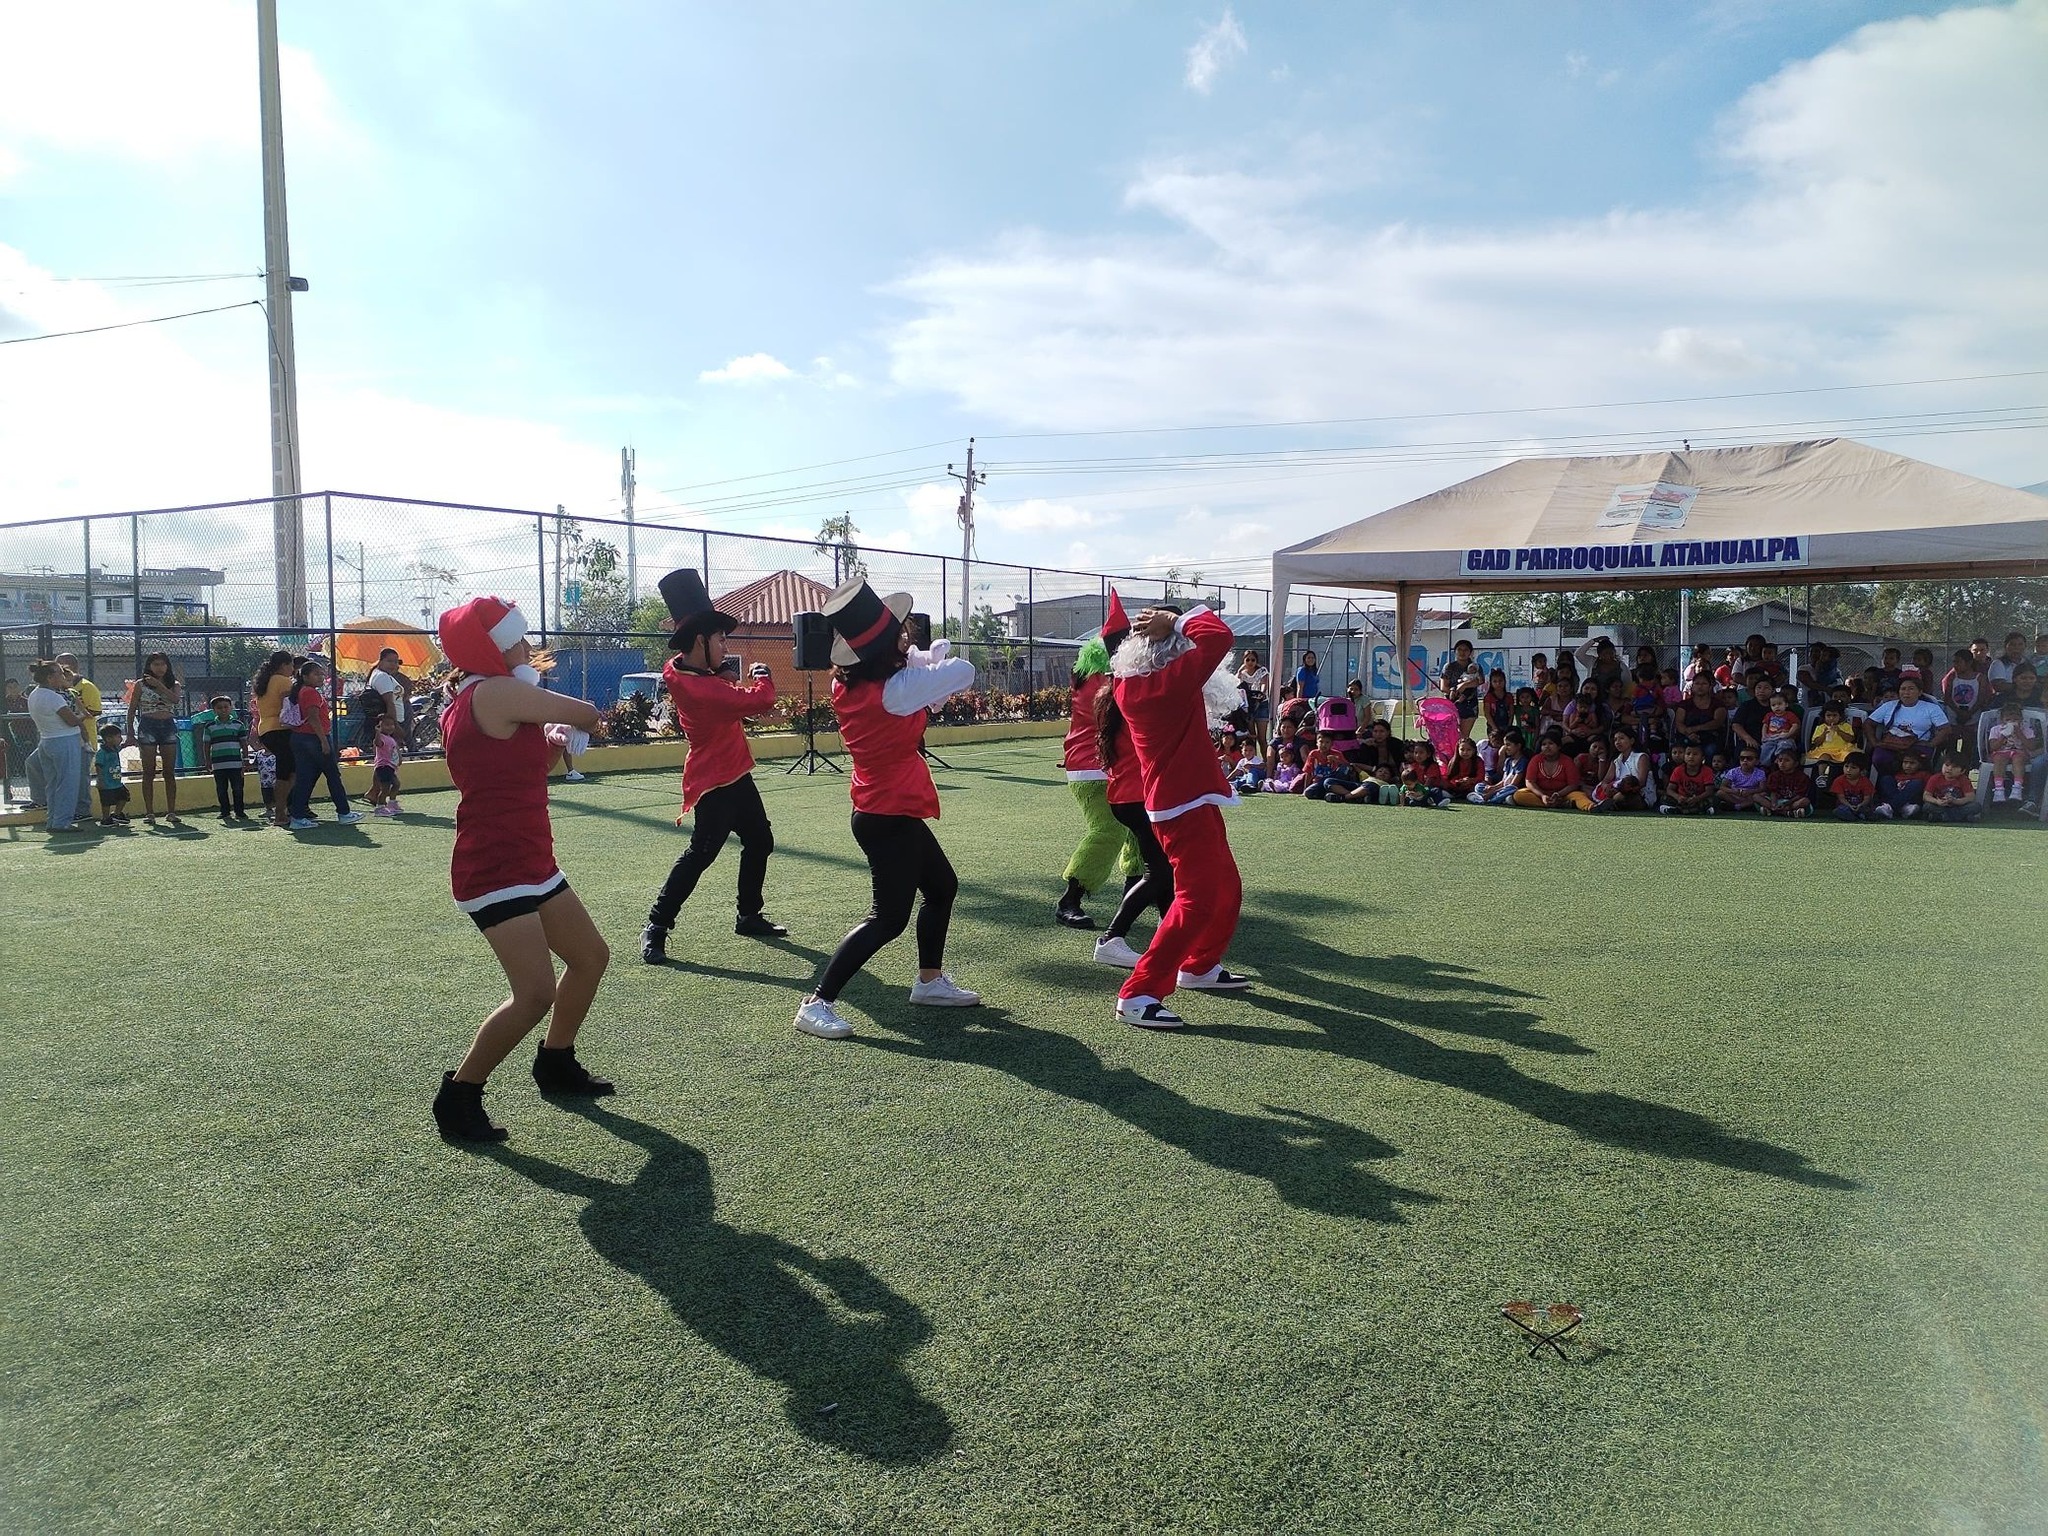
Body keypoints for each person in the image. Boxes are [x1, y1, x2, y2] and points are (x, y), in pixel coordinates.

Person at [429, 595, 614, 1143]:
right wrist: (574, 723)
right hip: (495, 867)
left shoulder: (487, 696)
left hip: (530, 860)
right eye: (518, 638)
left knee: (590, 958)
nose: (528, 646)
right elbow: (587, 712)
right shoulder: (496, 692)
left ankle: (555, 1062)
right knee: (535, 993)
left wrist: (552, 742)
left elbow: (532, 767)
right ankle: (459, 1095)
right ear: (493, 647)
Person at [794, 579, 981, 1041]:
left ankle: (930, 982)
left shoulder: (854, 682)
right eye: (899, 633)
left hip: (884, 809)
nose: (907, 636)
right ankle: (817, 1003)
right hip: (885, 814)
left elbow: (922, 689)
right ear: (881, 649)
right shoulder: (894, 689)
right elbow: (964, 671)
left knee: (942, 887)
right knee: (888, 918)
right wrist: (925, 662)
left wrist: (917, 663)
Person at [640, 569, 789, 963]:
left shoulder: (678, 669)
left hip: (736, 774)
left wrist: (718, 672)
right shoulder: (704, 690)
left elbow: (697, 674)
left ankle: (748, 915)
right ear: (700, 641)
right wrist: (763, 675)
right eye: (721, 639)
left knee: (760, 840)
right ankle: (656, 925)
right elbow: (760, 700)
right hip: (714, 783)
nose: (726, 646)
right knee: (701, 854)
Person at [1054, 591, 1142, 930]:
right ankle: (1069, 899)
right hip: (1094, 768)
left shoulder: (1096, 673)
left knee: (1139, 829)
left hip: (1117, 766)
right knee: (1109, 829)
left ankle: (1135, 894)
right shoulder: (1106, 679)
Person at [1092, 665, 1175, 971]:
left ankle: (1172, 933)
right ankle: (1111, 939)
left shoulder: (1110, 698)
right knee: (1159, 872)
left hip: (1124, 794)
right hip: (1137, 795)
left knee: (1164, 869)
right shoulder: (1133, 701)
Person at [284, 659, 365, 829]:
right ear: (305, 676)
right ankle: (344, 812)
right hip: (313, 738)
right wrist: (323, 741)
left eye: (322, 674)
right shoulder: (310, 693)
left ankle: (297, 816)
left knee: (304, 777)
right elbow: (313, 718)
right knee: (333, 775)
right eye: (316, 674)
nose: (321, 677)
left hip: (300, 738)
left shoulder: (302, 691)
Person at [122, 651, 183, 824]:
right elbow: (132, 709)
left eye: (163, 664)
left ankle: (171, 811)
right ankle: (149, 813)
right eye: (156, 664)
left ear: (168, 666)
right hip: (148, 726)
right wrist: (130, 732)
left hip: (168, 726)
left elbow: (175, 700)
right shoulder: (140, 685)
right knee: (148, 771)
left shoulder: (174, 684)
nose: (160, 668)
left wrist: (159, 685)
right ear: (149, 666)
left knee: (169, 771)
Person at [26, 660, 85, 833]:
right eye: (59, 673)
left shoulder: (34, 694)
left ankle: (52, 820)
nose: (63, 677)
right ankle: (62, 822)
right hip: (64, 742)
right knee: (68, 783)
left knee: (52, 784)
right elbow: (71, 721)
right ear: (50, 677)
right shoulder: (54, 697)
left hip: (46, 741)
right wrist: (82, 716)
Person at [1866, 669, 1953, 775]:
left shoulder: (1931, 708)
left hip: (1917, 745)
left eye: (1911, 689)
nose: (1906, 692)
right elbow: (1868, 723)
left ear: (1920, 692)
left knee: (1915, 763)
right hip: (1891, 744)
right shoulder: (1889, 706)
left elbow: (1946, 729)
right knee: (1879, 758)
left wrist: (1931, 744)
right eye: (1903, 689)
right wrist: (1874, 742)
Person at [251, 650, 300, 826]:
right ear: (283, 665)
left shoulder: (264, 682)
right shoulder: (283, 681)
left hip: (265, 730)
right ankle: (280, 813)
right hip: (280, 729)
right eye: (291, 665)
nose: (293, 669)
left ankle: (284, 810)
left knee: (289, 771)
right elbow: (290, 705)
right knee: (285, 773)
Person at [195, 695, 251, 822]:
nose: (223, 710)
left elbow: (244, 743)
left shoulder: (238, 725)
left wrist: (246, 759)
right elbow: (206, 745)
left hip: (236, 764)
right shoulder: (209, 726)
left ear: (231, 708)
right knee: (221, 789)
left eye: (226, 707)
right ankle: (225, 812)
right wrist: (207, 761)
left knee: (238, 788)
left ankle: (240, 812)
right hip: (218, 764)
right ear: (214, 710)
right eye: (219, 708)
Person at [1983, 699, 2039, 803]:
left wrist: (2019, 733)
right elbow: (1993, 747)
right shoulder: (1996, 729)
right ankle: (1999, 789)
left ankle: (2017, 788)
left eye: (2015, 719)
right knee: (1999, 759)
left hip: (2019, 752)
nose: (2012, 722)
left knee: (2018, 759)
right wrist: (2003, 736)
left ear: (2021, 719)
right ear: (2002, 720)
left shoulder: (2027, 729)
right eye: (2008, 719)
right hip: (2001, 752)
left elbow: (2031, 746)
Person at [1513, 733, 1587, 810]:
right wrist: (1542, 795)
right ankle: (1560, 804)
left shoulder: (1567, 761)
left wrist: (1558, 794)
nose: (1547, 747)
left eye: (1551, 743)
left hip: (1564, 795)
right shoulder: (1536, 759)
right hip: (1540, 795)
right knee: (1519, 795)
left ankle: (1591, 807)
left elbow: (1573, 785)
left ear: (1559, 746)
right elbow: (1530, 782)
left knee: (1579, 795)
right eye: (1544, 744)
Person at [359, 647, 414, 750]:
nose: (393, 665)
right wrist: (395, 726)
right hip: (392, 722)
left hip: (394, 721)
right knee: (390, 753)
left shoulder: (383, 675)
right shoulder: (382, 677)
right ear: (380, 661)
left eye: (396, 662)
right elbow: (390, 703)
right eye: (389, 661)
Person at [1591, 726, 1655, 813]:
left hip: (1640, 794)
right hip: (1618, 791)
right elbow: (1605, 780)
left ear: (1632, 741)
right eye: (1615, 740)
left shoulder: (1641, 757)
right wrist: (1607, 788)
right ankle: (1611, 803)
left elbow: (1641, 783)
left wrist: (1621, 790)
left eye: (1621, 738)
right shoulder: (1616, 761)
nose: (1617, 742)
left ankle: (1610, 804)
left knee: (1620, 797)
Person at [1921, 752, 1980, 824]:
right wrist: (1937, 801)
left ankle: (1942, 817)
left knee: (1975, 806)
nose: (1949, 768)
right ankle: (1961, 817)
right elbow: (1926, 796)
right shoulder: (1935, 778)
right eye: (1947, 765)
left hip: (1958, 806)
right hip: (1941, 806)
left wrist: (1956, 801)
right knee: (1927, 806)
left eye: (1954, 767)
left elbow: (1970, 797)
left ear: (1962, 771)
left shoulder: (1964, 779)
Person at [1659, 743, 1716, 815]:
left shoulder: (1707, 771)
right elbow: (1669, 789)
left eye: (1695, 754)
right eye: (1688, 754)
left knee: (1713, 799)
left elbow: (1709, 791)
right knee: (1664, 798)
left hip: (1699, 799)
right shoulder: (1678, 770)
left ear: (1702, 758)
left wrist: (1697, 798)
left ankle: (1678, 810)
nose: (1691, 756)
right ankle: (1696, 811)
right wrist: (1678, 797)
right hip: (1682, 799)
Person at [1758, 746, 1813, 818]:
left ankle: (1774, 811)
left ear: (1796, 764)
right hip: (1777, 801)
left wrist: (1786, 804)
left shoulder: (1802, 777)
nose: (1782, 763)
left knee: (1805, 801)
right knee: (1757, 796)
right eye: (1780, 760)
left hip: (1791, 802)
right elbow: (1773, 792)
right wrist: (1774, 804)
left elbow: (1800, 795)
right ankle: (1786, 812)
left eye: (1787, 760)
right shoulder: (1774, 775)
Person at [1875, 747, 1929, 820]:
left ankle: (1890, 808)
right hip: (1897, 797)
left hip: (1911, 802)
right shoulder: (1898, 774)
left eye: (1912, 763)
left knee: (1917, 783)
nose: (1908, 766)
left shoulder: (1924, 775)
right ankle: (1900, 808)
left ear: (1920, 765)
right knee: (1886, 779)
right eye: (1905, 762)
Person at [1236, 648, 1271, 753]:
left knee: (1262, 738)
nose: (1250, 662)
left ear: (1256, 661)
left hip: (1261, 705)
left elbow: (1264, 684)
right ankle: (1252, 759)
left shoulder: (1262, 671)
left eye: (1253, 660)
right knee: (1252, 737)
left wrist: (1261, 693)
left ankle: (1266, 760)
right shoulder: (1242, 674)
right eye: (1247, 660)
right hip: (1248, 707)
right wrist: (1240, 670)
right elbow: (1237, 685)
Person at [368, 714, 404, 816]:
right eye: (387, 725)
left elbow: (395, 750)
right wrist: (377, 733)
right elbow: (378, 743)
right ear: (379, 726)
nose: (390, 727)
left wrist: (399, 759)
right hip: (383, 767)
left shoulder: (390, 738)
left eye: (392, 724)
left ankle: (392, 803)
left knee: (396, 784)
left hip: (390, 767)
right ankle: (380, 808)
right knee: (385, 788)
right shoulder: (381, 738)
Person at [1715, 747, 1766, 813]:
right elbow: (1722, 786)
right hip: (1736, 795)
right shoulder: (1733, 771)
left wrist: (1750, 792)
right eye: (1742, 758)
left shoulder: (1760, 773)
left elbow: (1762, 788)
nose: (1745, 760)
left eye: (1749, 758)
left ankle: (1737, 806)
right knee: (1720, 793)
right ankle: (1744, 805)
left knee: (1763, 794)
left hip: (1750, 795)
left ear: (1757, 761)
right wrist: (1734, 791)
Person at [1830, 753, 1879, 821]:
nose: (1848, 770)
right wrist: (1850, 806)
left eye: (1853, 768)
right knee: (1839, 810)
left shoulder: (1865, 781)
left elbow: (1867, 798)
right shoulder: (1839, 781)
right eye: (1846, 766)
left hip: (1861, 806)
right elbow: (1841, 798)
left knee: (1867, 810)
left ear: (1862, 770)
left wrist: (1860, 805)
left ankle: (1863, 815)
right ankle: (1855, 817)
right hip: (1845, 806)